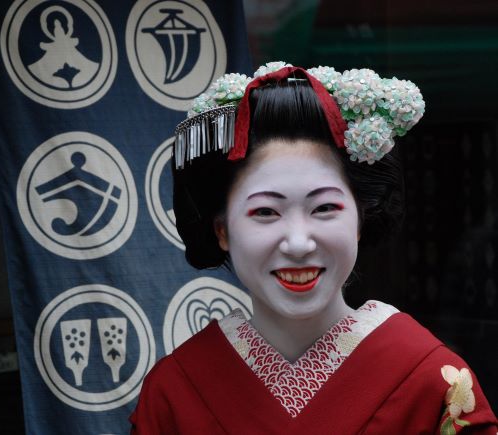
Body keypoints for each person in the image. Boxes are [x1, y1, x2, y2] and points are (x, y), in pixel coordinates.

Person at [130, 62, 497, 434]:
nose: (299, 244)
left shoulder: (432, 382)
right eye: (265, 212)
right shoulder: (174, 392)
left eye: (324, 208)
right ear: (222, 230)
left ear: (360, 219)